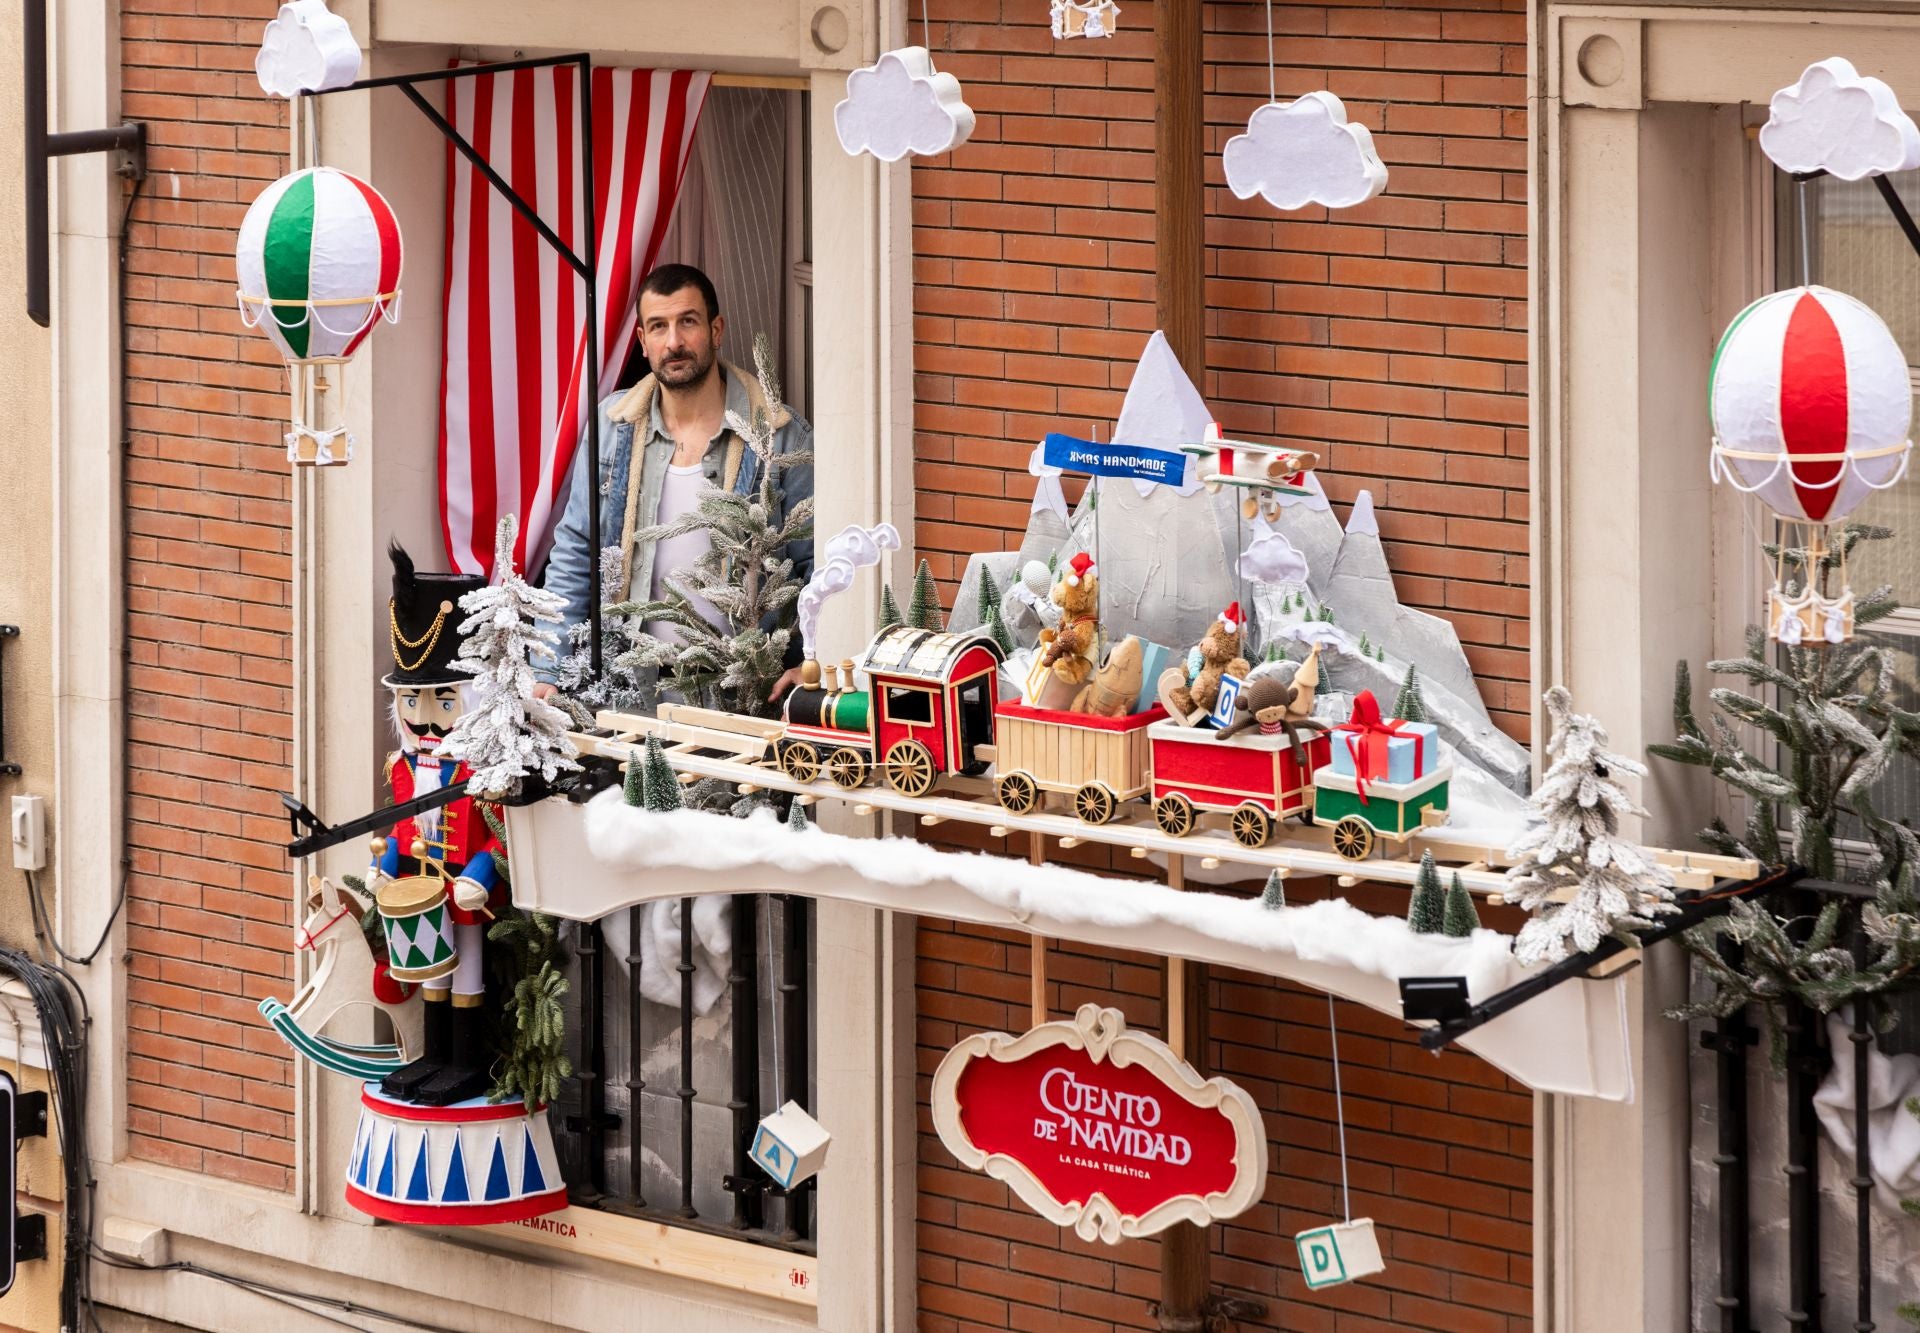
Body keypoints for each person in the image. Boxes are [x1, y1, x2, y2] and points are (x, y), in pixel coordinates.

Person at [538, 263, 813, 701]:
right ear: (642, 341)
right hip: (629, 688)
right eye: (659, 327)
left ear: (716, 329)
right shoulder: (614, 427)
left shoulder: (778, 433)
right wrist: (549, 672)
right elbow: (576, 553)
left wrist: (811, 663)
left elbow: (817, 565)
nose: (674, 342)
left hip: (745, 693)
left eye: (688, 322)